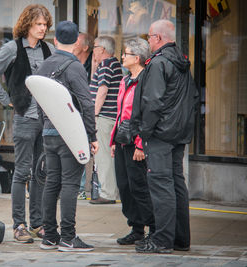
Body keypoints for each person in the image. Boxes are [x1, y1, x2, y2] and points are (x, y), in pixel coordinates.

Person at [0, 4, 54, 243]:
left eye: (45, 25)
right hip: (24, 118)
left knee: (40, 173)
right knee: (22, 172)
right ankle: (19, 225)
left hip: (45, 120)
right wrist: (8, 101)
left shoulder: (50, 50)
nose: (43, 28)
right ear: (28, 25)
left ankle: (38, 223)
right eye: (39, 24)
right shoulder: (11, 48)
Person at [133, 19, 198, 253]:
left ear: (158, 38)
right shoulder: (181, 62)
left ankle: (162, 240)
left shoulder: (159, 62)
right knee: (176, 184)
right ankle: (180, 239)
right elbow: (193, 97)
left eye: (149, 37)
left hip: (160, 134)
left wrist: (145, 132)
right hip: (178, 133)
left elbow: (152, 102)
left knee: (161, 186)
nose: (148, 41)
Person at [36, 21, 98, 252]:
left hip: (49, 132)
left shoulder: (44, 65)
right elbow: (86, 103)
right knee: (70, 184)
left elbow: (39, 101)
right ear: (77, 43)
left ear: (54, 41)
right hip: (70, 133)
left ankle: (49, 236)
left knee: (52, 183)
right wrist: (92, 135)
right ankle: (69, 237)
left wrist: (46, 125)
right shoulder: (75, 67)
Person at [109, 38, 155, 246]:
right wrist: (113, 140)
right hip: (122, 140)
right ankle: (136, 228)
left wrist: (139, 144)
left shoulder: (145, 81)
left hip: (136, 142)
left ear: (137, 58)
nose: (122, 57)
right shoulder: (125, 80)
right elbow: (119, 114)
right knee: (124, 186)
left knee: (139, 187)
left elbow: (146, 115)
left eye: (125, 54)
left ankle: (153, 229)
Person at [89, 36, 122, 204]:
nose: (92, 50)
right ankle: (110, 191)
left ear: (102, 49)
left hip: (103, 117)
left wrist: (93, 115)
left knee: (103, 157)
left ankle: (107, 194)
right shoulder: (114, 64)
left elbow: (102, 90)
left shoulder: (106, 65)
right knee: (108, 156)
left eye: (94, 47)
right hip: (111, 117)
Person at [73, 32, 94, 201]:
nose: (73, 44)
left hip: (87, 113)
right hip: (71, 112)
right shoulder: (70, 62)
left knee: (83, 149)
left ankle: (81, 188)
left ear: (85, 47)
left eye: (76, 42)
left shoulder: (93, 64)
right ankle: (74, 187)